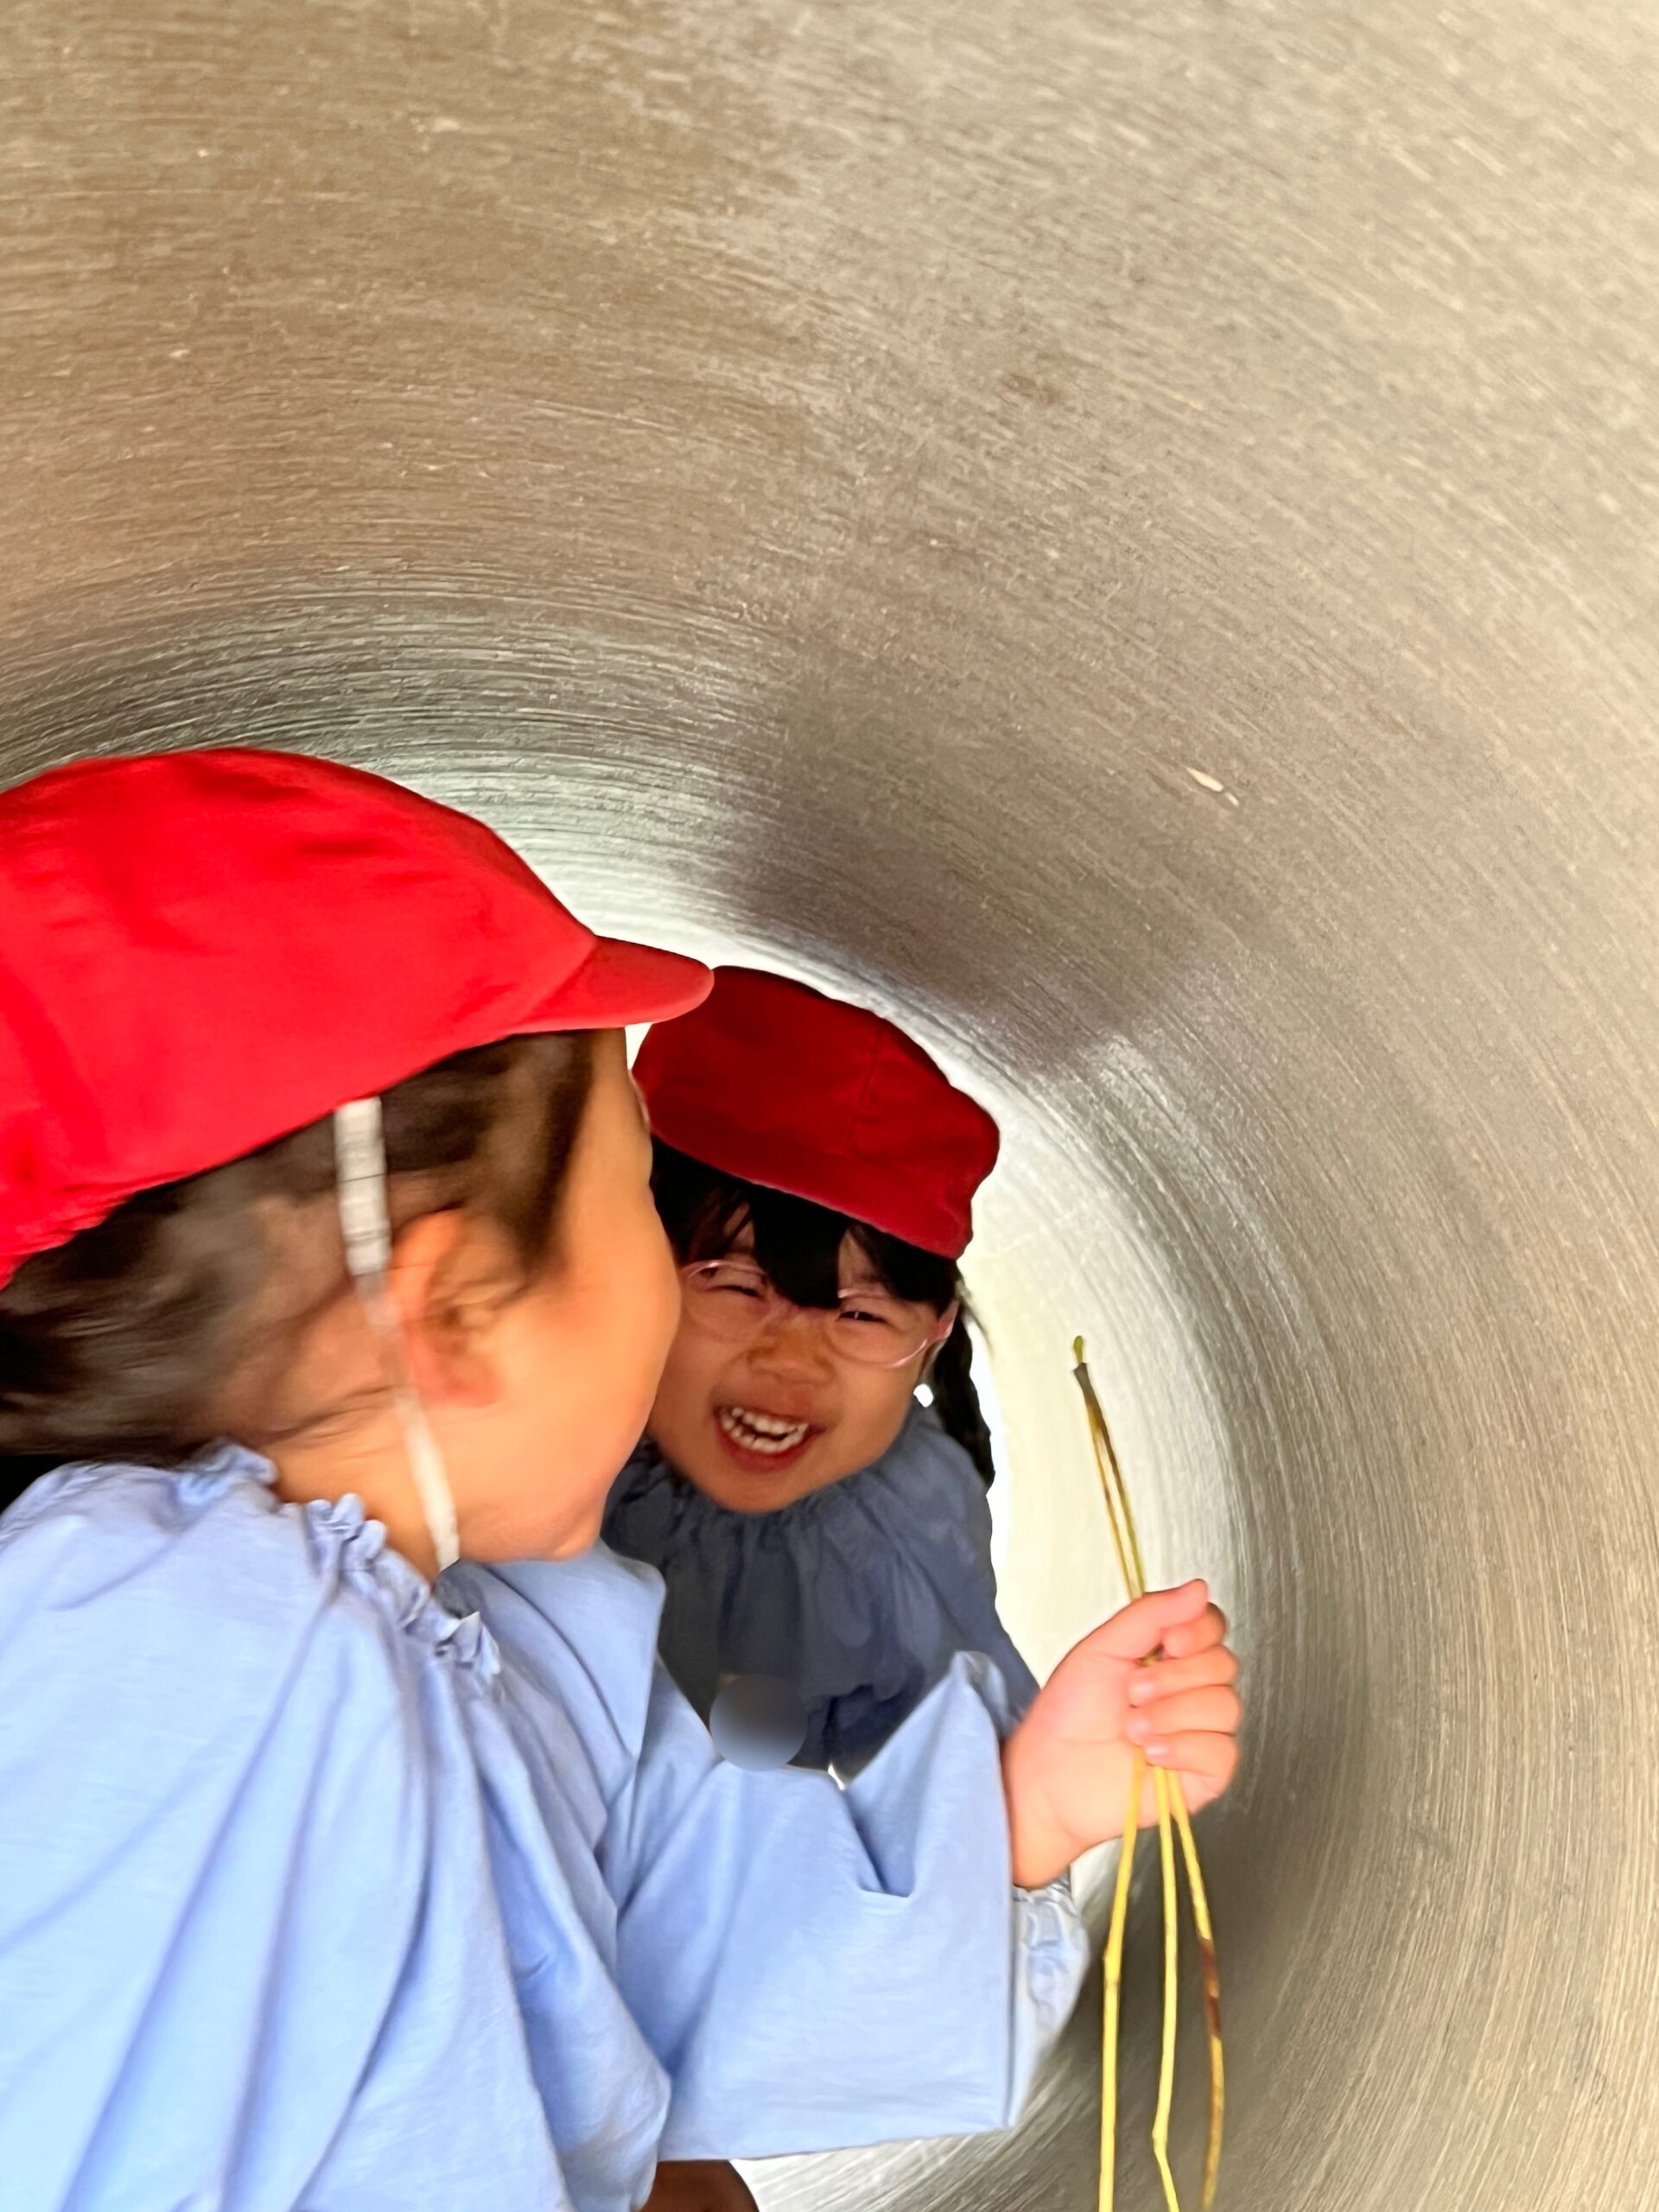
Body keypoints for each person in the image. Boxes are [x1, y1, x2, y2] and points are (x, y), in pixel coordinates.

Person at [0, 749, 1243, 2212]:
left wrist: (1022, 1814)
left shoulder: (531, 1632)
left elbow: (682, 1955)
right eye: (642, 1207)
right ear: (457, 1313)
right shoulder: (166, 1642)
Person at [606, 967, 1039, 1779]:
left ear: (934, 1337)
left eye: (861, 1315)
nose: (791, 1362)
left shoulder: (899, 1531)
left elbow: (961, 1796)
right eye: (735, 1285)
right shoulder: (545, 1429)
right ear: (625, 1261)